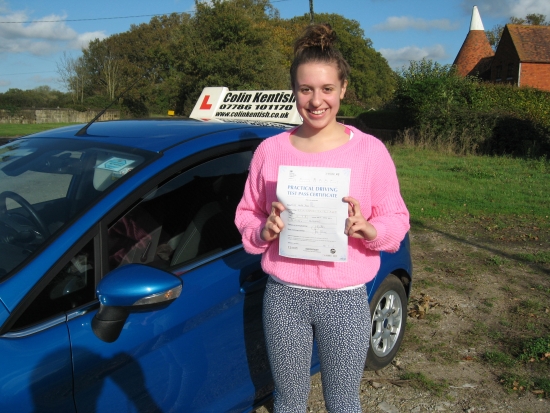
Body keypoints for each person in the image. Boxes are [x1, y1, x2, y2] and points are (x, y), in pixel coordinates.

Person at [235, 23, 410, 413]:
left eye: (327, 89)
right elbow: (247, 212)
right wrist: (263, 231)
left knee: (343, 400)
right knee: (290, 400)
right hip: (284, 296)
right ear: (294, 91)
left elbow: (396, 218)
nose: (316, 101)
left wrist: (370, 229)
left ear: (343, 89)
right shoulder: (271, 151)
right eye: (306, 89)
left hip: (344, 300)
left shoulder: (369, 151)